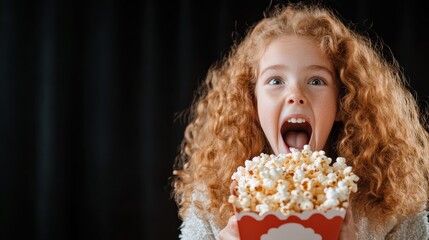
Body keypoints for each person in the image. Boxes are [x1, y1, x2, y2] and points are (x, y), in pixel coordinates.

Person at [171, 2, 429, 239]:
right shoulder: (211, 203)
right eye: (276, 81)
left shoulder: (390, 205)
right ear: (252, 101)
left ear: (342, 101)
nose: (295, 95)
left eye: (316, 81)